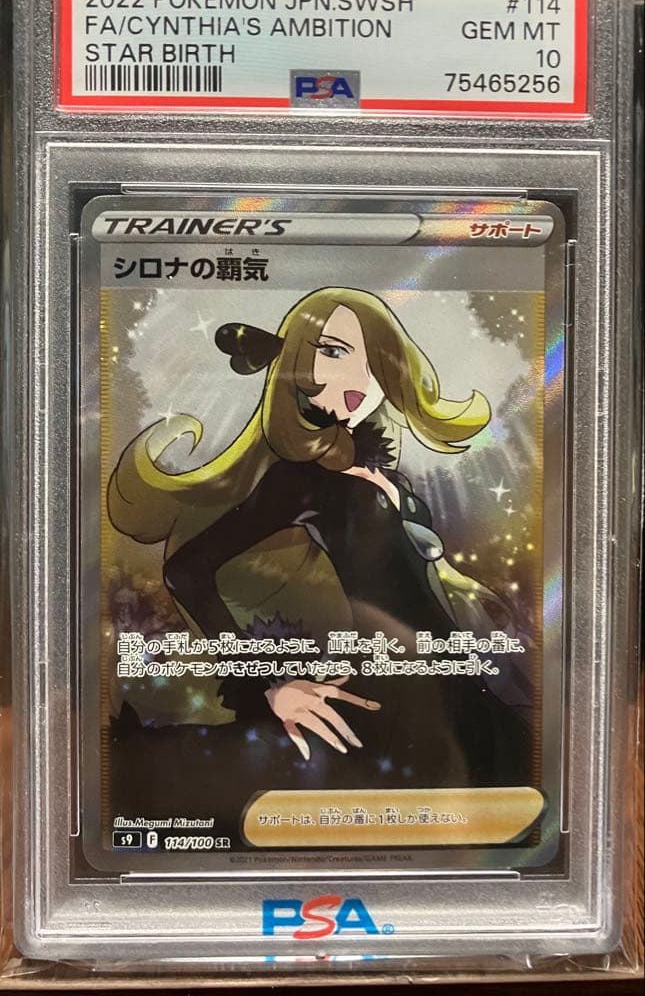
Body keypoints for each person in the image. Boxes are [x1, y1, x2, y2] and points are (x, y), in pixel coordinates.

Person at [108, 288, 531, 833]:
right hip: (390, 696)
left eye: (364, 355)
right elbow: (186, 571)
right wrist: (269, 684)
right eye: (327, 354)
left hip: (445, 685)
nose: (351, 374)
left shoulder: (383, 475)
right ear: (295, 369)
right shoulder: (302, 479)